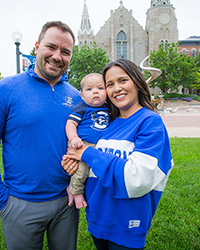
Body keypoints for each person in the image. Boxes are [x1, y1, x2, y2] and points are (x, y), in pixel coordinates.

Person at [0, 21, 82, 250]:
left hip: (66, 202)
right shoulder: (3, 91)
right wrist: (1, 200)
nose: (57, 56)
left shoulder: (77, 97)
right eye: (50, 47)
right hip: (20, 204)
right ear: (36, 46)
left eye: (65, 52)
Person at [63, 58, 173, 250]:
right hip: (98, 220)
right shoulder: (109, 124)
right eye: (110, 84)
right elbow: (93, 165)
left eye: (123, 80)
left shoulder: (150, 122)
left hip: (127, 225)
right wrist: (73, 163)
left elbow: (137, 178)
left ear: (137, 82)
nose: (117, 89)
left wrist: (87, 154)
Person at [66, 73, 110, 209]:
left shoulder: (109, 108)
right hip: (81, 143)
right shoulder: (82, 107)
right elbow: (70, 123)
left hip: (99, 146)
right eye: (89, 89)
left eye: (100, 88)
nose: (95, 91)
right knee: (82, 170)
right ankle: (75, 191)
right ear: (82, 95)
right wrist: (74, 138)